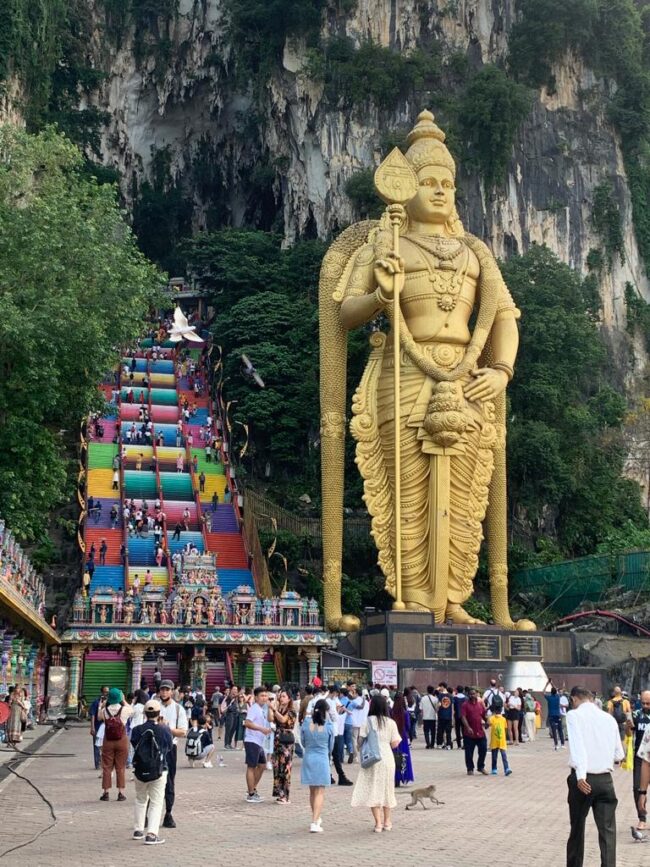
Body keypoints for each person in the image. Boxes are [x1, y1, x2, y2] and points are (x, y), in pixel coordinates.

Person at [566, 685, 624, 867]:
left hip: (584, 779)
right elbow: (619, 755)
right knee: (608, 832)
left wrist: (581, 776)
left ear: (574, 699)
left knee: (577, 828)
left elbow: (578, 747)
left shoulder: (574, 715)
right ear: (591, 698)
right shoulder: (609, 718)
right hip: (606, 780)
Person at [350, 694, 401, 833]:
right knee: (387, 790)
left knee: (374, 790)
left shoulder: (367, 721)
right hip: (387, 758)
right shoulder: (391, 722)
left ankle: (378, 823)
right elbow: (395, 743)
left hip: (373, 758)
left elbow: (359, 742)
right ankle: (387, 821)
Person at [130, 698, 173, 846]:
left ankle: (138, 830)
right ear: (159, 713)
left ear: (144, 713)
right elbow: (168, 747)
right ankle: (152, 834)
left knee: (140, 799)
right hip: (159, 769)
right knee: (156, 802)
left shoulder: (136, 730)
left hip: (140, 769)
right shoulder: (164, 729)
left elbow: (134, 743)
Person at [301, 698, 334, 832]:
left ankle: (315, 816)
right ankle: (315, 822)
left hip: (309, 757)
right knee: (320, 791)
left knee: (312, 790)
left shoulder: (307, 723)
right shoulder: (328, 726)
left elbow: (303, 741)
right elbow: (331, 745)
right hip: (322, 758)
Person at [157, 680, 187, 828]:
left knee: (169, 781)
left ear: (172, 691)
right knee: (151, 780)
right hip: (154, 748)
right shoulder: (153, 706)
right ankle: (149, 815)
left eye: (167, 690)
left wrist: (166, 728)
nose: (164, 692)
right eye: (162, 689)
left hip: (170, 748)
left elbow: (182, 731)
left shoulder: (178, 709)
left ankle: (168, 813)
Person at [98, 687, 133, 802]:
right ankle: (121, 793)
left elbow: (99, 717)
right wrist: (123, 700)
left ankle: (106, 793)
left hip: (108, 740)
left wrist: (101, 705)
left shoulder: (105, 711)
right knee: (121, 767)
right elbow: (133, 711)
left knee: (107, 767)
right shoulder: (125, 709)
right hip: (122, 740)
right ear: (119, 697)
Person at [243, 687, 272, 803]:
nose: (264, 698)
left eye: (265, 696)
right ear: (256, 697)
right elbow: (247, 723)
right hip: (252, 740)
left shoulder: (261, 709)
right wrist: (261, 729)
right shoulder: (254, 709)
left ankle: (252, 788)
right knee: (251, 766)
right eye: (262, 696)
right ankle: (250, 793)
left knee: (262, 765)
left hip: (258, 741)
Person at [268, 688, 297, 803]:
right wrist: (271, 708)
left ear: (289, 698)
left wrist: (274, 710)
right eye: (280, 696)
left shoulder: (291, 711)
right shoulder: (279, 708)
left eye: (284, 696)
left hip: (286, 741)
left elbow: (284, 720)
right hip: (278, 740)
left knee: (285, 768)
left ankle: (285, 795)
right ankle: (280, 793)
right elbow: (270, 719)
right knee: (277, 766)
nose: (281, 698)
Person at [628, 689, 650, 831]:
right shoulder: (636, 714)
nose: (646, 705)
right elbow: (629, 733)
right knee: (638, 788)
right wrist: (627, 727)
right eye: (643, 703)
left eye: (649, 703)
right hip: (640, 757)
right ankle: (642, 818)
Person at [460, 689, 488, 775]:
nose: (472, 695)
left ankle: (481, 767)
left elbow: (484, 715)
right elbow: (463, 717)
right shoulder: (465, 705)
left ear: (477, 695)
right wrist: (468, 727)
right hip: (469, 734)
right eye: (471, 694)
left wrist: (487, 721)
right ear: (468, 695)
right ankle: (470, 768)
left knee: (483, 749)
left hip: (480, 732)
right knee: (469, 752)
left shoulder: (480, 705)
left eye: (474, 694)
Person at [391, 692, 414, 787]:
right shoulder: (405, 713)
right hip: (403, 738)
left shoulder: (391, 712)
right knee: (403, 757)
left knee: (393, 757)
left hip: (392, 738)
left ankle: (394, 778)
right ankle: (402, 777)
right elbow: (408, 726)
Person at [488, 703, 512, 776]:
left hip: (498, 740)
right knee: (498, 756)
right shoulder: (496, 718)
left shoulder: (498, 719)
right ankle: (496, 769)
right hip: (499, 740)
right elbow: (505, 729)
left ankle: (505, 768)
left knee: (498, 755)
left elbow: (487, 725)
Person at [89, 685, 109, 769]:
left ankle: (105, 763)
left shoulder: (110, 702)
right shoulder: (96, 702)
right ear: (101, 692)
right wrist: (92, 727)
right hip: (97, 726)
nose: (106, 694)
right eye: (105, 692)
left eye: (107, 692)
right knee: (96, 745)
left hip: (107, 728)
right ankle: (98, 764)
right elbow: (93, 715)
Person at [545, 683, 565, 750]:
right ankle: (562, 744)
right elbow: (556, 690)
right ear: (556, 692)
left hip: (551, 715)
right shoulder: (558, 697)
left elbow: (543, 692)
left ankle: (556, 744)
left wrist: (547, 684)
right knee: (560, 730)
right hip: (557, 715)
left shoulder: (549, 698)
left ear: (550, 692)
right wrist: (552, 683)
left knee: (554, 730)